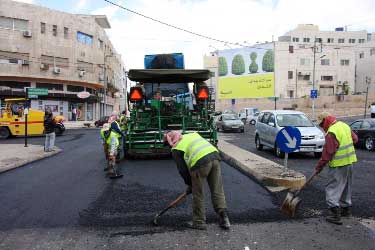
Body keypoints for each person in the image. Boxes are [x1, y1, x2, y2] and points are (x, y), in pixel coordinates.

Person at [164, 131, 230, 230]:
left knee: (198, 193)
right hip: (215, 157)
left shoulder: (176, 148)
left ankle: (199, 222)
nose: (168, 147)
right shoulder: (192, 135)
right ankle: (224, 218)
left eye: (167, 144)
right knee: (217, 189)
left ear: (171, 140)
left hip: (200, 163)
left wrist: (190, 184)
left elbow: (183, 170)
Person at [314, 111, 358, 225]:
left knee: (332, 187)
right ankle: (345, 210)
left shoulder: (331, 132)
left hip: (338, 165)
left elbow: (328, 153)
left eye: (320, 124)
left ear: (325, 121)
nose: (321, 127)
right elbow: (355, 139)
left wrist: (319, 166)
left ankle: (335, 214)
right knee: (345, 187)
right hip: (350, 162)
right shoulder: (344, 126)